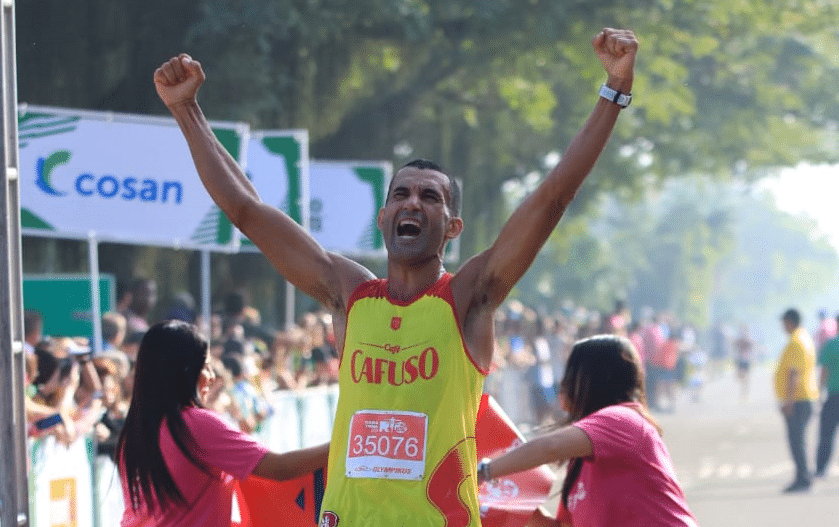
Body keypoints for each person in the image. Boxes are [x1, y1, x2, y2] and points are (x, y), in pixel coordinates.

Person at [154, 26, 638, 526]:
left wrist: (614, 91)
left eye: (430, 197)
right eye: (401, 194)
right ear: (383, 218)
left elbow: (552, 198)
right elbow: (246, 211)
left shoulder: (470, 298)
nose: (413, 202)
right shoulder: (348, 294)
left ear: (452, 227)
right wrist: (185, 110)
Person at [116, 320, 328, 526]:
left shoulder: (133, 430)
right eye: (206, 366)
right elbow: (278, 468)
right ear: (185, 371)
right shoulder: (196, 424)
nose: (211, 376)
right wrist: (343, 446)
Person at [476, 335, 697, 527]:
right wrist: (511, 502)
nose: (563, 385)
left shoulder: (621, 419)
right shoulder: (581, 460)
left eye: (571, 376)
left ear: (593, 381)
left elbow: (549, 446)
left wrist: (482, 472)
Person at [774, 308, 818, 492]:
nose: (783, 326)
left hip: (798, 398)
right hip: (803, 397)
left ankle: (803, 478)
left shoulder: (796, 341)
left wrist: (789, 401)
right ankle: (802, 477)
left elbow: (793, 373)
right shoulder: (804, 338)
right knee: (797, 440)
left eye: (784, 322)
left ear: (790, 322)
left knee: (796, 440)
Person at [815, 313, 839, 477]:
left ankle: (821, 469)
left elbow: (824, 371)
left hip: (833, 396)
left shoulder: (831, 345)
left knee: (826, 434)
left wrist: (819, 392)